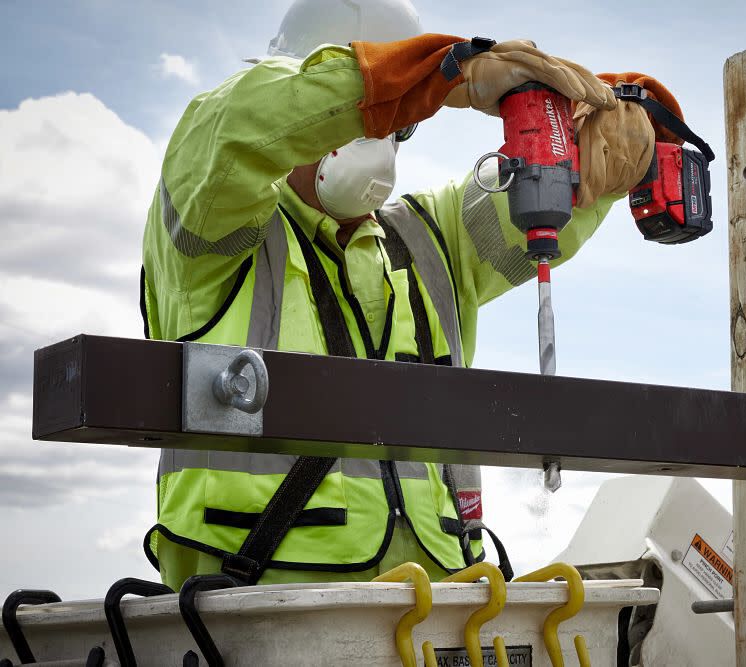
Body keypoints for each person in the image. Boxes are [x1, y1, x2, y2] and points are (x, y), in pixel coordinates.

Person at [140, 0, 681, 591]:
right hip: (256, 608)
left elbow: (553, 195)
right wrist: (428, 74)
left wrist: (610, 126)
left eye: (401, 126)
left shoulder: (432, 239)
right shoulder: (212, 229)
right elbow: (233, 129)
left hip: (440, 615)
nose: (380, 140)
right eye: (370, 117)